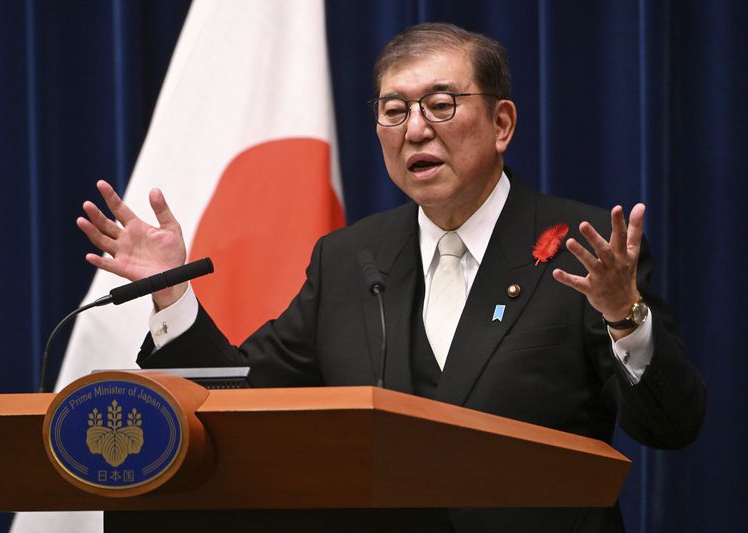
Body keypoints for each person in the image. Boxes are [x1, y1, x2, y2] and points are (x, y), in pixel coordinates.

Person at [78, 22, 705, 533]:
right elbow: (241, 402)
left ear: (502, 124)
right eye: (394, 110)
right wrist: (172, 293)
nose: (416, 129)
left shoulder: (583, 249)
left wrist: (625, 316)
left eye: (440, 104)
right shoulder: (350, 258)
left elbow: (671, 426)